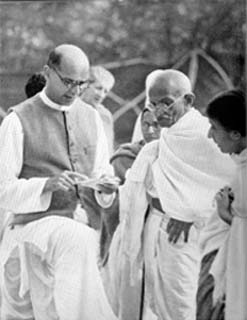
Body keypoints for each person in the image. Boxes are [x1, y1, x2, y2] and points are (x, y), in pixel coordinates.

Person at [98, 69, 236, 320]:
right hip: (160, 230)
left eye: (166, 103)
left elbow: (231, 182)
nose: (159, 111)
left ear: (188, 100)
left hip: (191, 234)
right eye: (153, 103)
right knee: (163, 308)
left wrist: (190, 212)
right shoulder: (166, 137)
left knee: (185, 307)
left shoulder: (204, 133)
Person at [0, 44, 116, 320]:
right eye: (67, 82)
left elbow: (101, 172)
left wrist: (106, 188)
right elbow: (2, 190)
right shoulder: (17, 120)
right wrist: (46, 185)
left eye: (81, 84)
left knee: (55, 305)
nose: (74, 91)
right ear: (47, 72)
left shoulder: (92, 118)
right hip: (32, 224)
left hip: (79, 227)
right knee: (76, 242)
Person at [198, 90, 246, 320]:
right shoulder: (239, 164)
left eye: (214, 128)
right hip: (225, 253)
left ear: (236, 134)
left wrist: (226, 215)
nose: (209, 135)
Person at [99, 107, 161, 265]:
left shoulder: (176, 156)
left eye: (156, 124)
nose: (150, 130)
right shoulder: (126, 156)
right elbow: (113, 201)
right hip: (126, 233)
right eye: (145, 125)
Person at [81, 65, 115, 156]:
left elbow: (108, 150)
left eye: (105, 91)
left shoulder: (104, 115)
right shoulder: (69, 108)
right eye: (98, 88)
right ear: (86, 85)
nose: (101, 95)